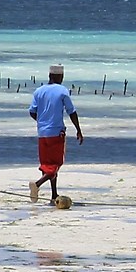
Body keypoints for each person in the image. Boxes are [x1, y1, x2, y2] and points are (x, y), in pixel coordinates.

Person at [28, 63, 83, 206]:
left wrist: (42, 122)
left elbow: (32, 112)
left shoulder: (39, 91)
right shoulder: (63, 91)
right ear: (61, 76)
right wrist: (78, 130)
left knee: (47, 164)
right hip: (56, 133)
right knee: (56, 164)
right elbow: (72, 111)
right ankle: (37, 184)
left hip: (42, 133)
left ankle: (53, 194)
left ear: (49, 75)